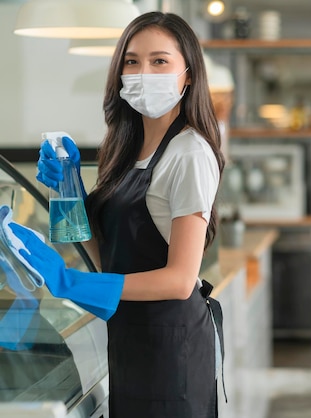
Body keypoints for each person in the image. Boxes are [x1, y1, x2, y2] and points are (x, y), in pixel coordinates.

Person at [10, 11, 225, 418]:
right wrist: (68, 187)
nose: (143, 72)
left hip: (171, 350)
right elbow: (100, 248)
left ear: (189, 74)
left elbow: (180, 280)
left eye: (160, 61)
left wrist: (67, 281)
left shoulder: (190, 152)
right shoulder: (127, 149)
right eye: (132, 61)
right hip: (130, 338)